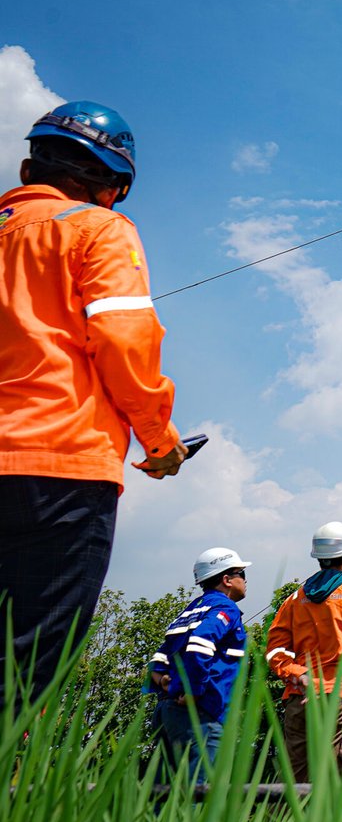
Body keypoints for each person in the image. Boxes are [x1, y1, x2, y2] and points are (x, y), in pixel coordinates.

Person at [0, 102, 188, 704]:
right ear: (115, 187)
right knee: (25, 669)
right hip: (58, 469)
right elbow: (122, 340)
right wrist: (159, 442)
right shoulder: (99, 228)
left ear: (30, 166)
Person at [265, 521, 342, 783]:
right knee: (334, 782)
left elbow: (274, 651)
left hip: (299, 698)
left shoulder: (294, 599)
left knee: (296, 784)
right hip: (340, 699)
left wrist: (298, 674)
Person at [147, 547, 251, 783]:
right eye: (241, 574)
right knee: (198, 793)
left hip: (167, 712)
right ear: (226, 579)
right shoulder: (225, 608)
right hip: (200, 714)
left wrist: (162, 680)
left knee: (162, 794)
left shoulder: (190, 611)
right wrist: (193, 692)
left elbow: (158, 658)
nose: (245, 581)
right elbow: (200, 643)